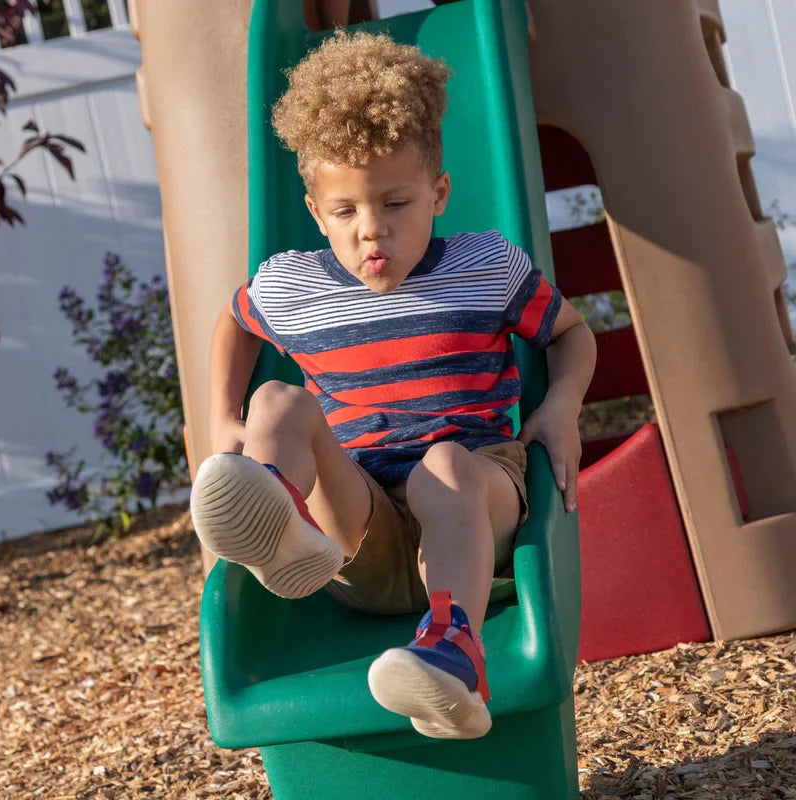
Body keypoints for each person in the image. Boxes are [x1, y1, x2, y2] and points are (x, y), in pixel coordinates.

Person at [190, 30, 596, 740]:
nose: (370, 232)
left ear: (439, 194)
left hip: (475, 500)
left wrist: (560, 407)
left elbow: (570, 332)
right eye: (345, 212)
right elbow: (235, 325)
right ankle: (282, 523)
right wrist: (225, 418)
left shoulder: (483, 265)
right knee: (276, 403)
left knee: (444, 466)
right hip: (360, 529)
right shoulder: (292, 284)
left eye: (397, 203)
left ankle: (453, 652)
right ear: (316, 213)